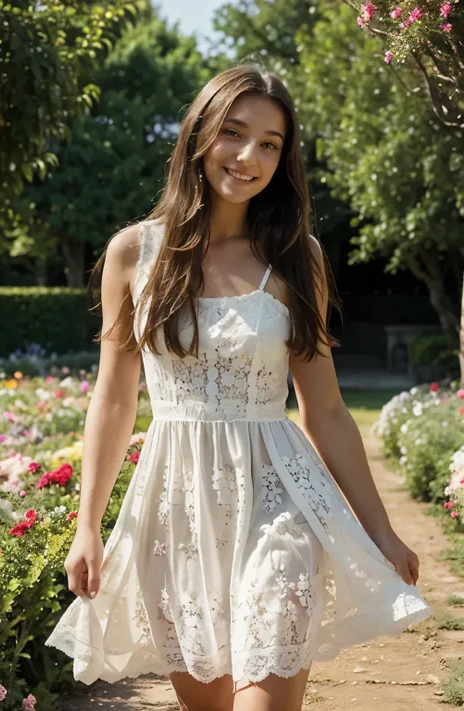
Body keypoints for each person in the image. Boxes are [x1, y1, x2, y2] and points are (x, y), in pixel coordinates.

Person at [45, 63, 433, 711]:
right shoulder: (132, 254)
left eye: (271, 143)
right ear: (199, 132)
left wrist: (382, 529)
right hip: (175, 510)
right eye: (234, 132)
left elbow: (328, 408)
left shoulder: (296, 257)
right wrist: (88, 525)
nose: (250, 156)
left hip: (280, 499)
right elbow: (114, 398)